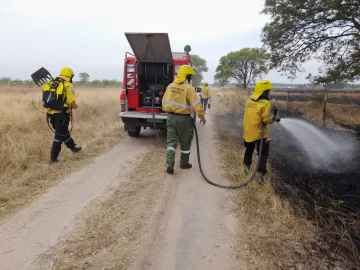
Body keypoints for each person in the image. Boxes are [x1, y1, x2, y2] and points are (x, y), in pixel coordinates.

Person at [162, 65, 206, 174]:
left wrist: (169, 111)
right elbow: (197, 105)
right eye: (190, 76)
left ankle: (170, 164)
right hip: (184, 119)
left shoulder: (170, 86)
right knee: (185, 141)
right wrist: (202, 117)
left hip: (171, 117)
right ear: (188, 76)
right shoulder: (188, 88)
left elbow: (164, 102)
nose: (191, 78)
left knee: (171, 142)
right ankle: (183, 163)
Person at [243, 79, 280, 184]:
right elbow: (266, 120)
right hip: (260, 133)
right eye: (268, 91)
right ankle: (260, 175)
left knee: (249, 150)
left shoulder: (249, 100)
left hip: (248, 131)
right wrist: (274, 118)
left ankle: (246, 170)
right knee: (263, 154)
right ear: (264, 91)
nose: (269, 92)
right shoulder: (266, 103)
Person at [41, 67, 81, 163]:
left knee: (63, 132)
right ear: (70, 76)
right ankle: (53, 159)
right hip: (61, 115)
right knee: (59, 136)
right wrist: (75, 106)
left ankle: (73, 148)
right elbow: (70, 101)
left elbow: (42, 88)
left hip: (50, 114)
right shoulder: (67, 85)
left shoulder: (50, 83)